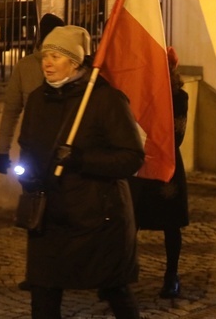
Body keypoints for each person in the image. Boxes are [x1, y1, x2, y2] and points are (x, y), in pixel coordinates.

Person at [17, 25, 144, 319]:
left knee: (115, 290)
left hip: (97, 218)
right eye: (44, 56)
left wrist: (82, 159)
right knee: (43, 292)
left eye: (55, 57)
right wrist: (28, 175)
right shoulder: (37, 99)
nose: (46, 63)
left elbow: (131, 158)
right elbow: (27, 146)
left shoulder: (105, 99)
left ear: (75, 62)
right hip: (49, 217)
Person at [129, 47, 189, 299]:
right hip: (139, 163)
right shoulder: (139, 93)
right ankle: (123, 272)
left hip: (166, 162)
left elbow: (177, 134)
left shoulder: (179, 96)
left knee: (170, 223)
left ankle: (171, 275)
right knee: (130, 221)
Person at [0, 13, 65, 174]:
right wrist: (3, 151)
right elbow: (11, 111)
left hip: (64, 151)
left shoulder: (70, 66)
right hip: (33, 151)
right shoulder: (25, 67)